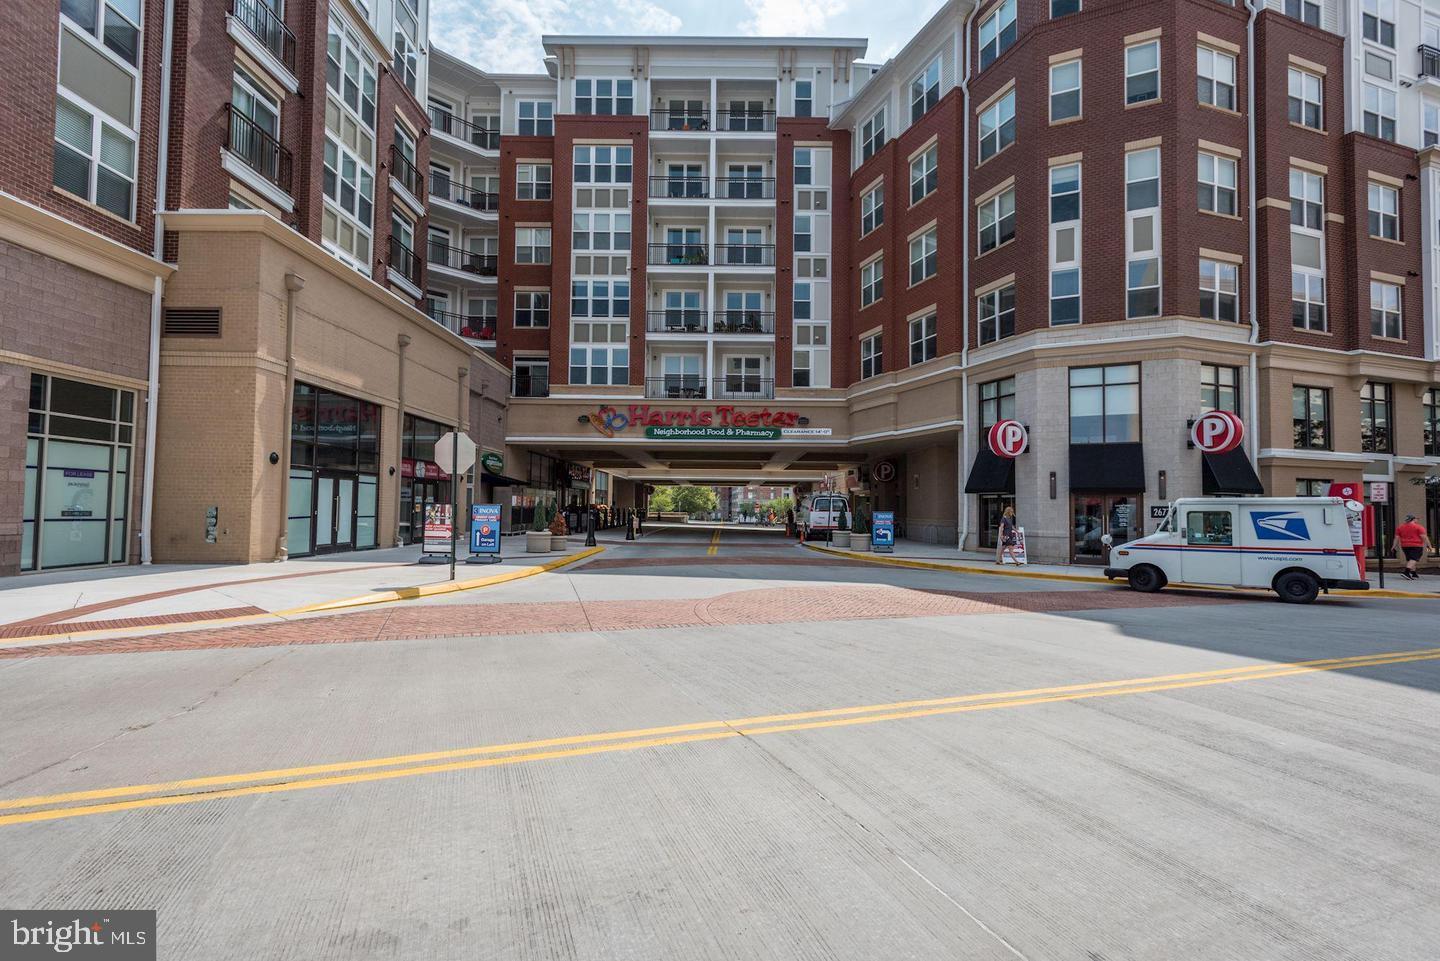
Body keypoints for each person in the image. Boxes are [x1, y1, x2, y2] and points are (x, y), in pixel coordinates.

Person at [1391, 513, 1432, 581]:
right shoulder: (1419, 527)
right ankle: (1406, 572)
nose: (1417, 520)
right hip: (1416, 546)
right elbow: (1424, 537)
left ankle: (1413, 573)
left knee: (1410, 559)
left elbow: (1396, 538)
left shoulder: (1400, 527)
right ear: (1413, 519)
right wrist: (1429, 546)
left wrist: (1393, 546)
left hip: (1405, 546)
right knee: (1413, 559)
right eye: (1417, 519)